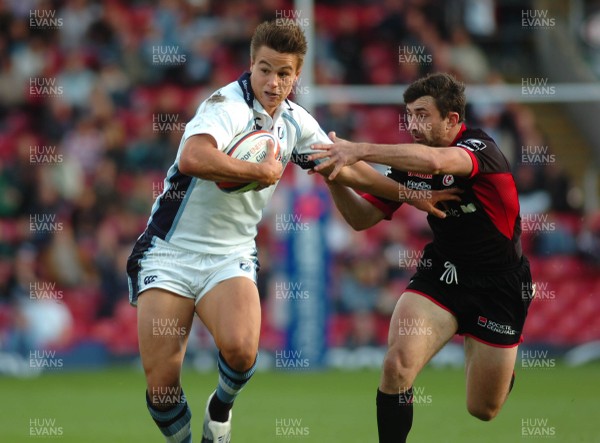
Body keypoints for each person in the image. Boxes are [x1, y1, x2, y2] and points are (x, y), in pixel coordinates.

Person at [126, 20, 456, 443]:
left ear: (296, 76)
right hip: (169, 252)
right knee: (162, 386)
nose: (273, 81)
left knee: (243, 352)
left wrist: (411, 194)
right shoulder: (225, 106)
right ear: (251, 65)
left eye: (284, 73)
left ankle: (220, 408)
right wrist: (256, 170)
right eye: (265, 69)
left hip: (230, 254)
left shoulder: (296, 123)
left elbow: (348, 167)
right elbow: (192, 157)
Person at [310, 72, 534, 443]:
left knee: (483, 409)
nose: (412, 123)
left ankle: (499, 369)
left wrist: (358, 149)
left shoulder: (480, 150)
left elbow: (436, 162)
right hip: (442, 275)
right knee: (397, 366)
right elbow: (360, 219)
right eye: (409, 114)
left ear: (452, 120)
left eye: (422, 114)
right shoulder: (411, 163)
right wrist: (335, 177)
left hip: (500, 286)